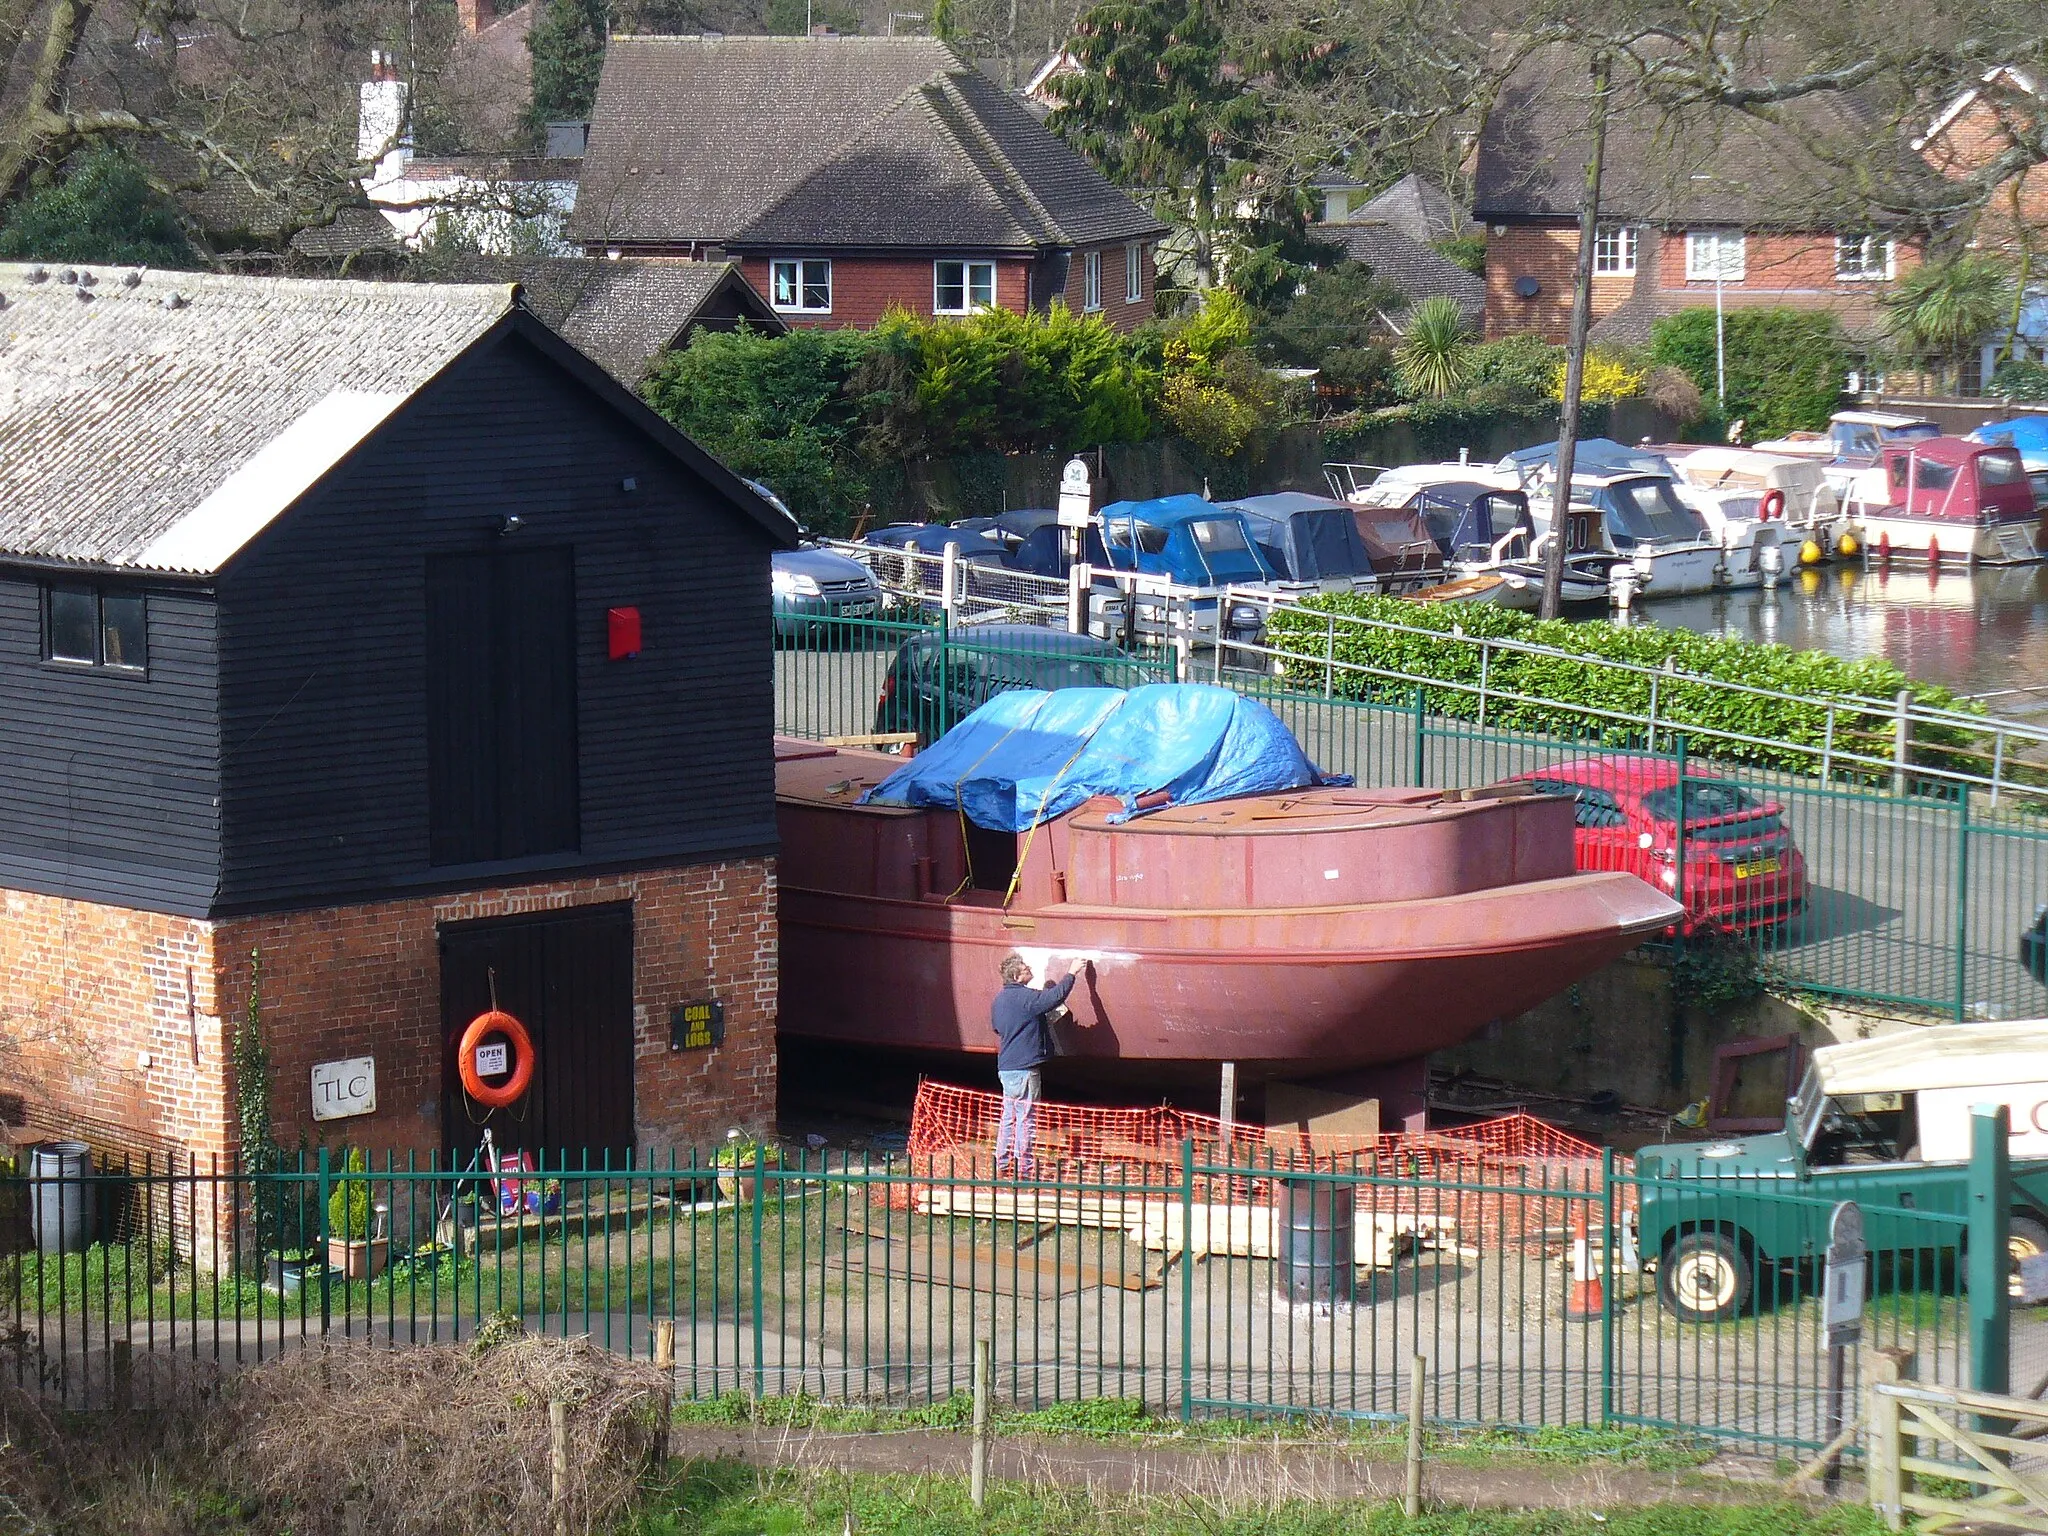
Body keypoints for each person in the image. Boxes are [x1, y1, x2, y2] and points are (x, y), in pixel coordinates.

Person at [991, 953, 1076, 1175]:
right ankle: (1025, 1170)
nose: (1029, 968)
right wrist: (1072, 972)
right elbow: (1055, 997)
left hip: (1006, 1068)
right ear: (1017, 976)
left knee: (1008, 1118)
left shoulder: (998, 1000)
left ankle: (1001, 1164)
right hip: (1026, 1070)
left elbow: (998, 1028)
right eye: (1025, 967)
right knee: (1026, 1120)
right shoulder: (1027, 999)